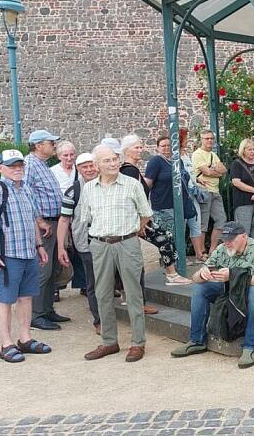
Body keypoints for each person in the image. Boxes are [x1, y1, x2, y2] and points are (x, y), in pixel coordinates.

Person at [0, 149, 53, 363]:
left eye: (20, 165)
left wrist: (39, 246)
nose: (17, 169)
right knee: (6, 300)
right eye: (12, 166)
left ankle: (25, 339)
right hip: (6, 255)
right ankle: (6, 344)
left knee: (26, 297)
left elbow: (32, 220)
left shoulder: (26, 189)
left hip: (28, 253)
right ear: (1, 168)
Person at [78, 145, 153, 363]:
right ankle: (109, 341)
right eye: (107, 160)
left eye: (114, 159)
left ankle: (138, 343)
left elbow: (146, 214)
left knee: (133, 293)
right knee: (102, 293)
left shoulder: (131, 184)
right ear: (97, 165)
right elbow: (86, 217)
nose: (112, 164)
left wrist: (132, 231)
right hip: (100, 244)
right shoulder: (89, 188)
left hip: (127, 242)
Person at [169, 222, 254, 369]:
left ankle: (250, 347)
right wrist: (202, 273)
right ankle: (197, 341)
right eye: (225, 238)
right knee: (200, 288)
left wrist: (233, 276)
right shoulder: (221, 249)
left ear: (244, 236)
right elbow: (194, 277)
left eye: (231, 238)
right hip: (231, 293)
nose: (227, 242)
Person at [117, 135, 191, 287]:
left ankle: (172, 273)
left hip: (141, 218)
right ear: (127, 150)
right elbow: (130, 198)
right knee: (164, 239)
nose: (140, 150)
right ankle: (171, 274)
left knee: (166, 238)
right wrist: (140, 222)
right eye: (136, 147)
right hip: (137, 220)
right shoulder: (129, 170)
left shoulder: (132, 170)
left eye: (140, 147)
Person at [24, 130, 69, 330]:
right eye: (51, 142)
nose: (54, 145)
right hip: (44, 225)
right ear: (38, 145)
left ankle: (47, 309)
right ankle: (37, 314)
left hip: (53, 223)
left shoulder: (41, 164)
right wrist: (39, 220)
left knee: (52, 270)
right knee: (43, 270)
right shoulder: (30, 164)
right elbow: (25, 193)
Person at [56, 153, 103, 335]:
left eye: (92, 165)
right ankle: (99, 321)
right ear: (78, 169)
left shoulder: (107, 185)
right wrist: (61, 247)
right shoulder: (73, 191)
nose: (89, 169)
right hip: (86, 244)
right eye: (85, 167)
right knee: (93, 282)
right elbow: (64, 220)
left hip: (109, 241)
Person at [145, 136, 198, 240]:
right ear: (157, 148)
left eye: (169, 145)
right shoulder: (155, 162)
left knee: (180, 238)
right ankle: (173, 257)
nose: (166, 148)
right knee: (169, 240)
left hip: (180, 206)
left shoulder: (178, 161)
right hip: (163, 207)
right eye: (163, 146)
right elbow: (147, 184)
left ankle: (180, 257)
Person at [51, 140, 86, 295]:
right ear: (59, 156)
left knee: (80, 249)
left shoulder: (79, 171)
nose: (69, 158)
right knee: (61, 249)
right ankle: (57, 287)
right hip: (61, 216)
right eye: (65, 155)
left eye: (72, 154)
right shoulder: (52, 172)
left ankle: (83, 283)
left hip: (77, 216)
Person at [192, 130, 229, 255]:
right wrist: (215, 171)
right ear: (201, 139)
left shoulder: (213, 155)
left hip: (215, 191)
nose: (210, 141)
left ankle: (213, 250)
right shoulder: (197, 154)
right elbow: (206, 172)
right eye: (207, 138)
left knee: (221, 219)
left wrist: (214, 171)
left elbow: (223, 170)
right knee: (203, 223)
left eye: (211, 138)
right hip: (204, 191)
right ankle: (201, 252)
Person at [176, 135, 207, 264]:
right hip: (183, 194)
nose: (188, 140)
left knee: (196, 222)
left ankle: (199, 254)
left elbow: (190, 173)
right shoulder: (176, 157)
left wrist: (197, 180)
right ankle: (181, 256)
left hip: (192, 193)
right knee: (181, 225)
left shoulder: (186, 154)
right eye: (185, 138)